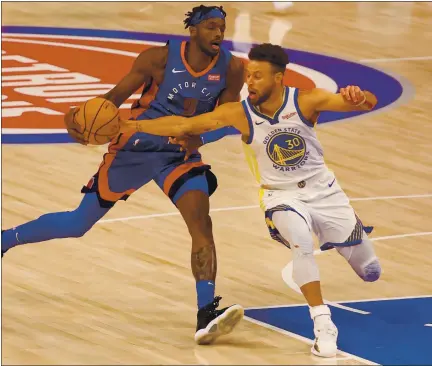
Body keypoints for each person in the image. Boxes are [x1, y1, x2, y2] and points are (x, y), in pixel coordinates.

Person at [1, 5, 245, 345]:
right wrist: (81, 121)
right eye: (211, 27)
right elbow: (112, 101)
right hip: (135, 148)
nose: (219, 33)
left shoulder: (232, 69)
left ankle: (206, 313)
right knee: (77, 224)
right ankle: (5, 240)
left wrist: (200, 138)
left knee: (201, 222)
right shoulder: (157, 60)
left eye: (223, 27)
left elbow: (229, 118)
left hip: (179, 155)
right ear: (194, 31)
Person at [119, 43, 382, 358]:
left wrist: (360, 96)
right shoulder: (239, 113)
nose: (250, 82)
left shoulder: (308, 100)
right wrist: (130, 125)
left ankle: (347, 235)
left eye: (258, 76)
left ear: (279, 78)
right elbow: (184, 125)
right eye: (248, 75)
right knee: (301, 242)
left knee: (370, 271)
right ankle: (323, 324)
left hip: (325, 192)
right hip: (279, 195)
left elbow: (367, 103)